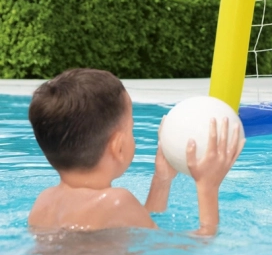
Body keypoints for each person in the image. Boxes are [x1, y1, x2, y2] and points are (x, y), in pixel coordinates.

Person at [27, 68, 244, 236]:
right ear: (118, 146)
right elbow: (197, 245)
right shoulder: (116, 202)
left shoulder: (43, 203)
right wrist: (208, 187)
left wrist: (162, 180)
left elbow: (140, 232)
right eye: (131, 127)